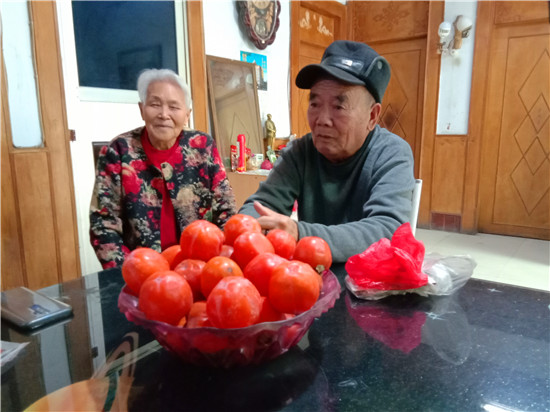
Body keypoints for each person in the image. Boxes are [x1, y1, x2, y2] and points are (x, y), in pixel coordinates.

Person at [239, 40, 415, 263]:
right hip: (310, 273)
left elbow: (387, 230)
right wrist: (248, 227)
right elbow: (257, 208)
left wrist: (300, 233)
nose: (322, 120)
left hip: (367, 277)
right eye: (315, 104)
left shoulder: (391, 153)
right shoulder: (300, 152)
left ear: (372, 116)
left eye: (338, 107)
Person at [90, 68, 236, 269]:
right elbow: (103, 225)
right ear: (142, 109)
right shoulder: (118, 151)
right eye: (155, 104)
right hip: (141, 269)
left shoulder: (203, 146)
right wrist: (131, 272)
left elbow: (226, 211)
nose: (164, 115)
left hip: (199, 267)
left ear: (187, 114)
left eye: (174, 107)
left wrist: (218, 265)